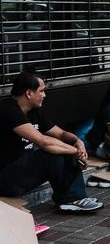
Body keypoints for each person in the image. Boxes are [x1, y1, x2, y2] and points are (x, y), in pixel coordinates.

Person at [0, 72, 102, 213]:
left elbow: (61, 134)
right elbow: (43, 141)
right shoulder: (9, 111)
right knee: (52, 155)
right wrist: (75, 151)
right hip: (5, 180)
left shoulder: (33, 112)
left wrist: (78, 141)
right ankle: (71, 199)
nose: (45, 95)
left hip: (21, 172)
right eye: (41, 91)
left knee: (62, 151)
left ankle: (72, 199)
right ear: (29, 93)